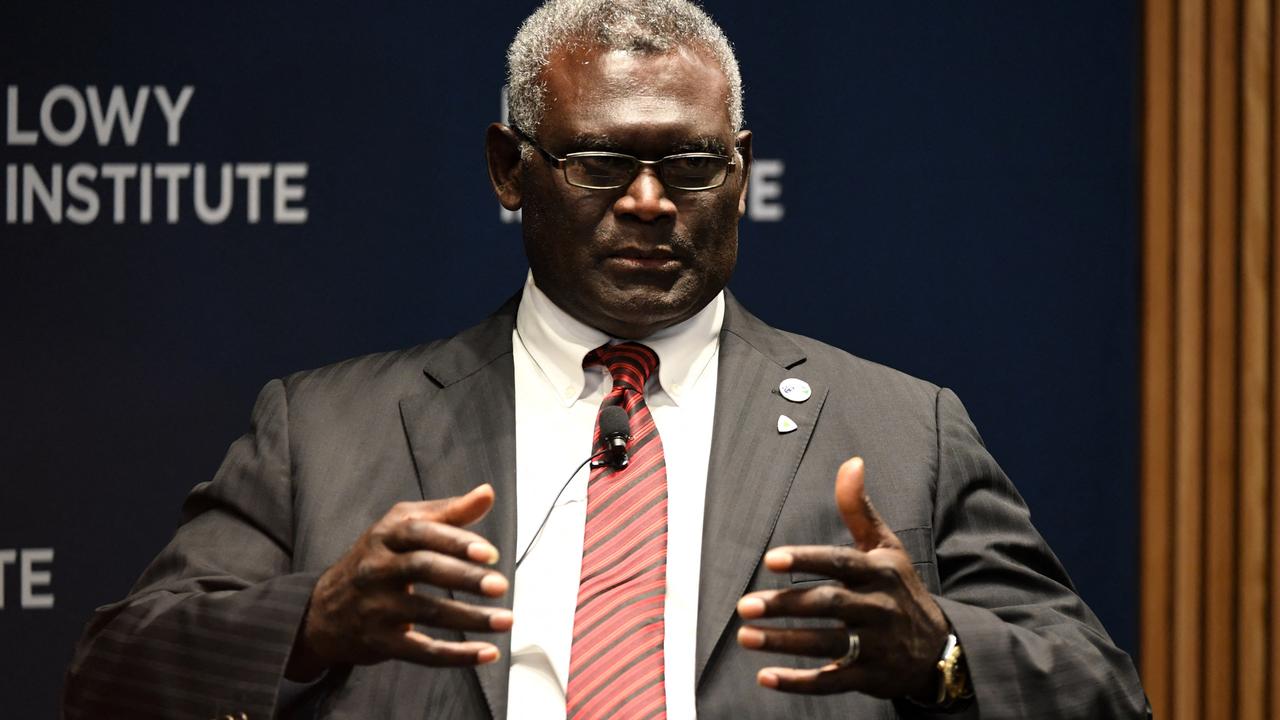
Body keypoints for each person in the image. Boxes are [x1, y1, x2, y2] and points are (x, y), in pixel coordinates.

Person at [64, 1, 1148, 718]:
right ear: (509, 169)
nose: (645, 203)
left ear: (739, 174)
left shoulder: (902, 431)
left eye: (686, 163)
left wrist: (943, 658)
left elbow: (1103, 693)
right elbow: (112, 676)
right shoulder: (320, 430)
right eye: (597, 162)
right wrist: (309, 623)